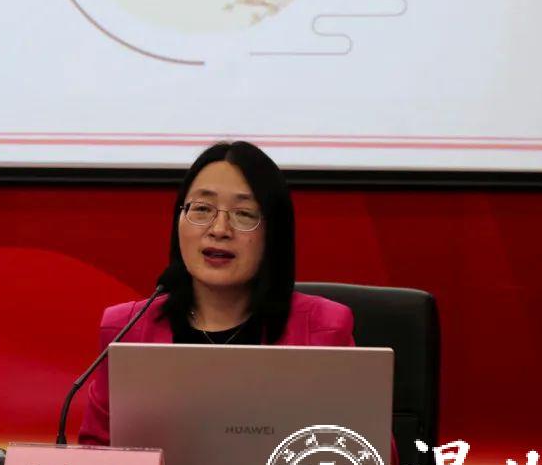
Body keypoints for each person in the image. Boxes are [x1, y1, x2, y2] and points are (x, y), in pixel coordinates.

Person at [78, 140, 355, 445]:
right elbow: (96, 453)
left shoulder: (324, 331)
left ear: (274, 233)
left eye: (244, 214)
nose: (219, 229)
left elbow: (370, 455)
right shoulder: (126, 330)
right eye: (202, 209)